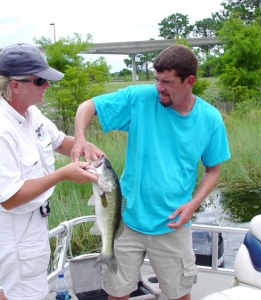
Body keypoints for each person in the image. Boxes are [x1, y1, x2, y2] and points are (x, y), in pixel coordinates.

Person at [71, 44, 231, 300]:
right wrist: (80, 137)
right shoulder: (140, 98)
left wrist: (193, 204)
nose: (159, 87)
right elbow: (86, 107)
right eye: (157, 79)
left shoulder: (210, 119)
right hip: (126, 222)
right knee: (117, 293)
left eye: (166, 82)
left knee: (179, 295)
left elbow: (213, 170)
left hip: (173, 225)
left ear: (189, 81)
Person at [0, 43, 102, 300]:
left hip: (33, 227)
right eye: (40, 81)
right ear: (15, 85)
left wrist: (85, 146)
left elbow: (59, 141)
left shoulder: (31, 113)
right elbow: (9, 198)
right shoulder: (3, 130)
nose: (47, 86)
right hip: (14, 235)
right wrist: (62, 174)